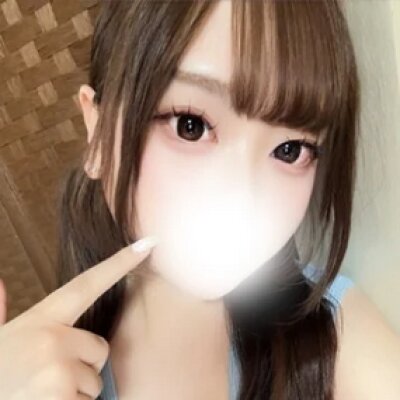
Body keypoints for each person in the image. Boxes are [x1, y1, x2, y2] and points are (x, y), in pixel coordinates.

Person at [0, 1, 399, 399]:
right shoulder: (51, 363)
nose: (244, 199)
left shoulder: (334, 336)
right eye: (189, 126)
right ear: (99, 132)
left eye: (290, 150)